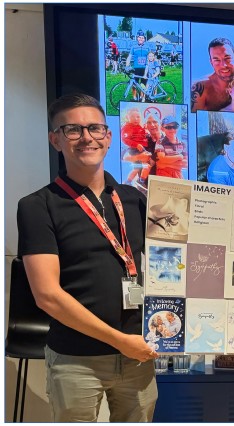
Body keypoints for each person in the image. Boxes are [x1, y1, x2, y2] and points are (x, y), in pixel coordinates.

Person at [17, 93, 159, 421]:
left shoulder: (135, 200)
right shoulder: (38, 206)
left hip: (138, 355)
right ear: (55, 140)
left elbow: (185, 254)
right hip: (76, 360)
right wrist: (120, 341)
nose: (86, 138)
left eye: (95, 128)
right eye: (73, 130)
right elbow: (48, 296)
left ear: (108, 138)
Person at [191, 38, 234, 113]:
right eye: (217, 60)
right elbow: (192, 121)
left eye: (227, 58)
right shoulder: (200, 88)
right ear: (211, 62)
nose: (223, 65)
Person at [121, 107, 152, 188]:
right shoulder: (127, 127)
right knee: (146, 165)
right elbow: (125, 139)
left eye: (138, 117)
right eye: (132, 117)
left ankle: (128, 181)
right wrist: (136, 145)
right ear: (128, 118)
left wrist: (144, 130)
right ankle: (141, 180)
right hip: (135, 149)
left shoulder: (139, 126)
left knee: (137, 168)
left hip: (141, 149)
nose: (136, 119)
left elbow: (143, 135)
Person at [126, 31, 150, 98]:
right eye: (139, 37)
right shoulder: (133, 47)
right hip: (136, 68)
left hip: (145, 69)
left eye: (142, 38)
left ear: (144, 39)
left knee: (143, 84)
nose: (141, 39)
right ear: (137, 38)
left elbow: (151, 57)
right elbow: (129, 57)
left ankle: (142, 97)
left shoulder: (148, 47)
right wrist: (127, 66)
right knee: (134, 83)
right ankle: (134, 97)